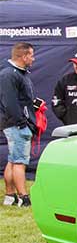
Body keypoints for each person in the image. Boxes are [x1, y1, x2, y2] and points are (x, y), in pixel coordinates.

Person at [0, 42, 38, 207]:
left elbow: (20, 100)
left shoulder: (19, 73)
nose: (33, 58)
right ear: (23, 57)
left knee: (12, 160)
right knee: (19, 162)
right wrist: (22, 123)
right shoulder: (9, 74)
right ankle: (24, 197)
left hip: (16, 123)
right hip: (16, 125)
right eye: (31, 55)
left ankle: (10, 196)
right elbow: (9, 102)